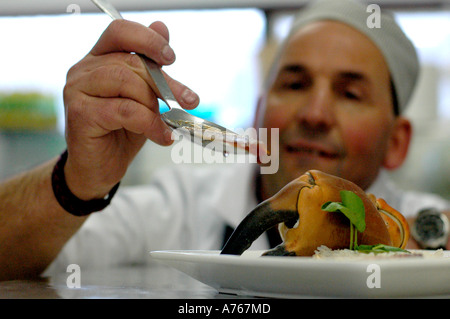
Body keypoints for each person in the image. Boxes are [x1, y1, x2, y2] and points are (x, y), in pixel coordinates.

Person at [0, 0, 448, 281]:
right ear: (257, 115)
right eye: (294, 84)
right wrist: (76, 183)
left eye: (350, 93)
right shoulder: (176, 210)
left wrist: (423, 236)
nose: (314, 114)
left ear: (397, 142)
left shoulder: (429, 231)